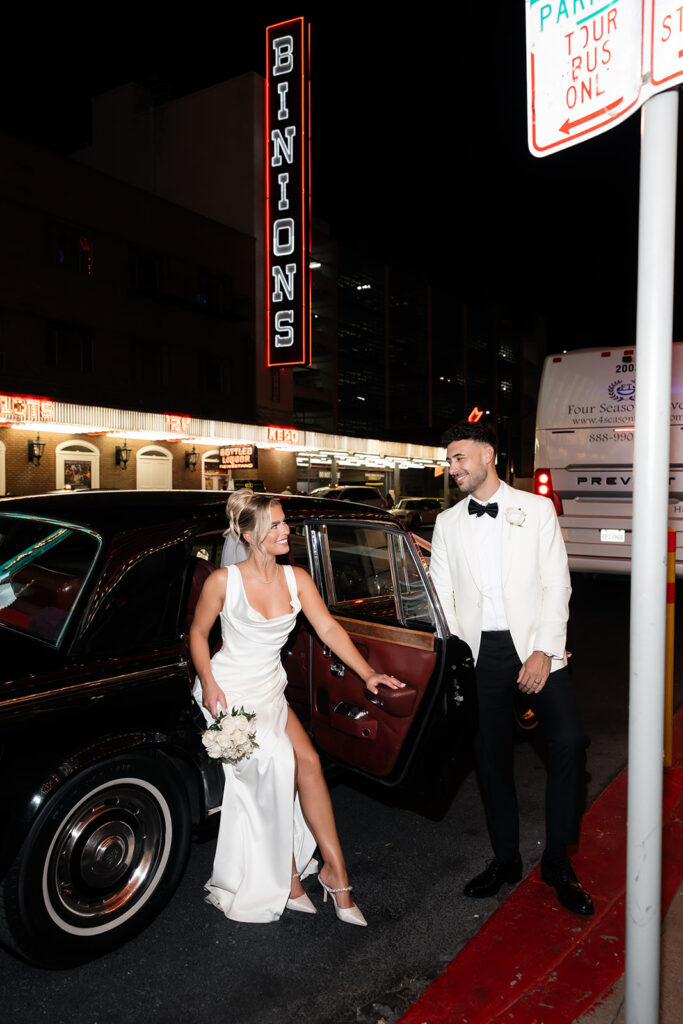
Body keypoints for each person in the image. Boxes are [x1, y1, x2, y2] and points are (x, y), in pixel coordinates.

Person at [190, 489, 404, 926]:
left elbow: (328, 628)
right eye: (276, 525)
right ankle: (286, 873)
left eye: (286, 522)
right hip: (230, 690)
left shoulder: (297, 578)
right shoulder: (222, 582)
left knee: (308, 761)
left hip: (270, 685)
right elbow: (197, 635)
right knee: (279, 762)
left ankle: (336, 872)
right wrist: (209, 683)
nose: (286, 529)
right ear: (248, 535)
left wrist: (367, 675)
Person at [429, 421, 592, 916]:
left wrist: (544, 650)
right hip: (481, 653)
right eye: (449, 460)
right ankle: (506, 858)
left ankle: (558, 860)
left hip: (536, 646)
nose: (452, 467)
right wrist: (462, 652)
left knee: (569, 741)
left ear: (487, 454)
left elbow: (556, 585)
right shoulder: (447, 523)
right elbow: (442, 595)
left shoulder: (537, 509)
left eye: (459, 457)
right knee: (490, 754)